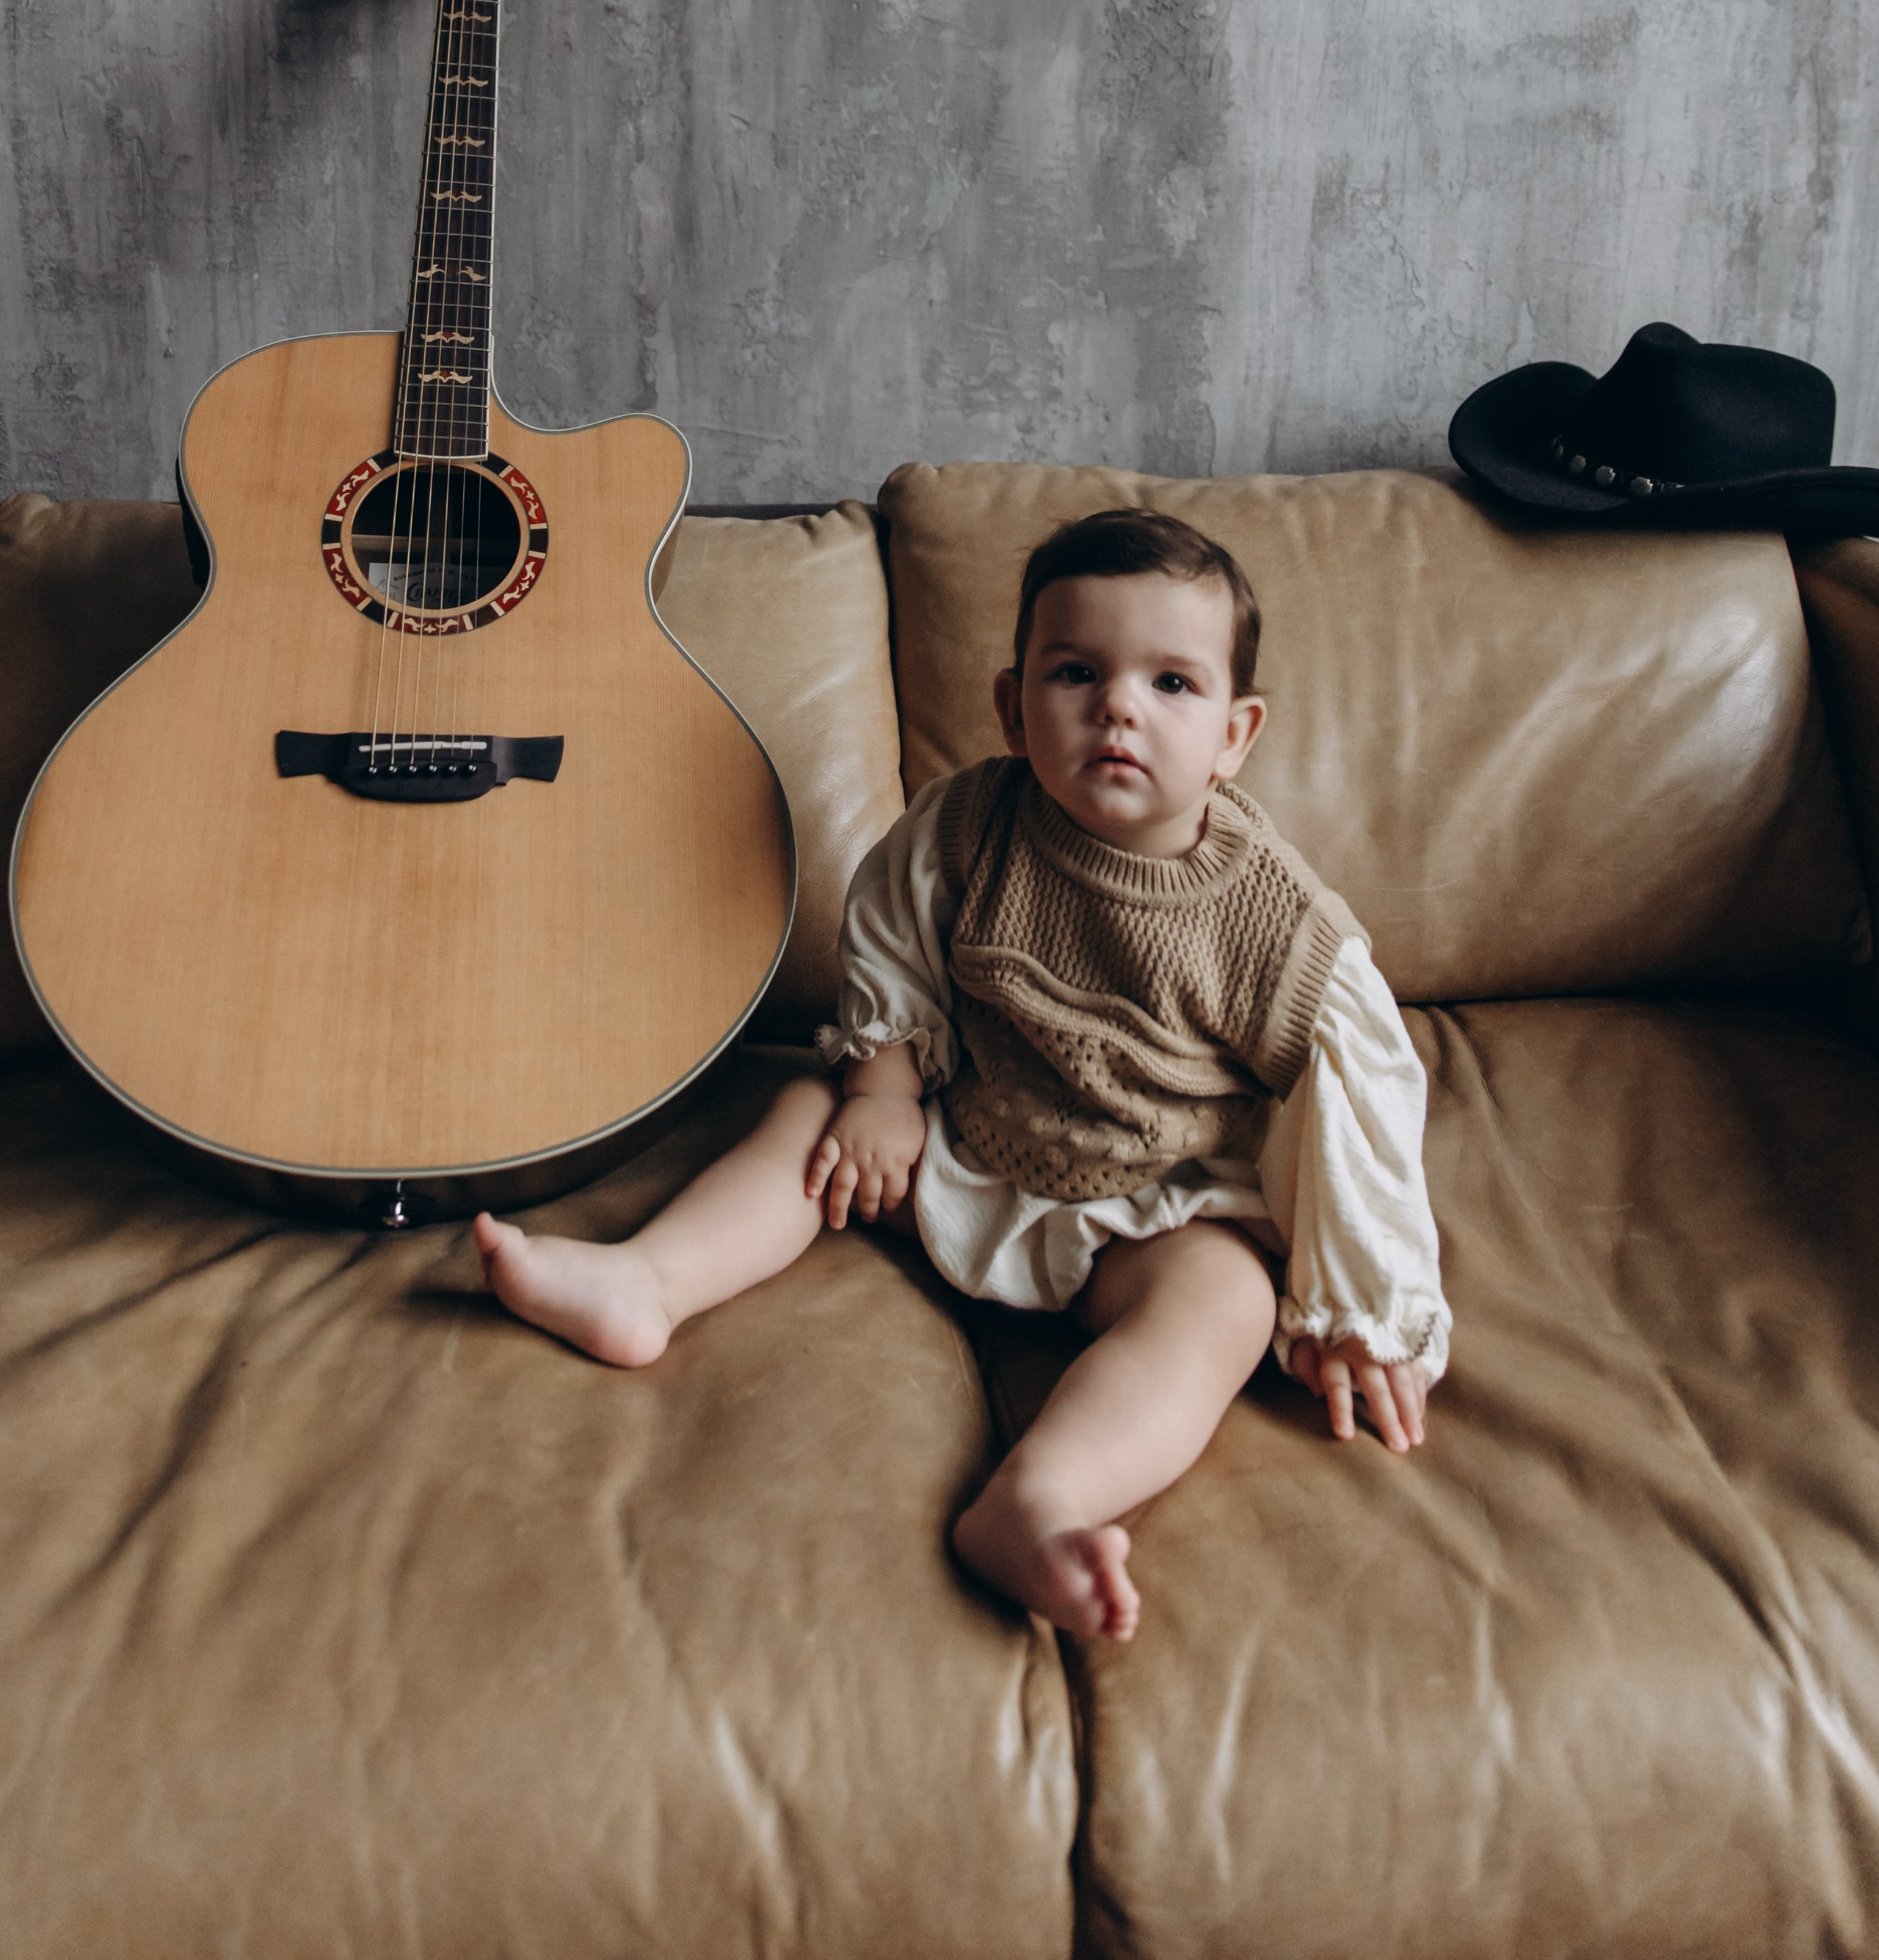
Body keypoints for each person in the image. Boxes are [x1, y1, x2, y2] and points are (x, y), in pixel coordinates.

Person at [475, 508, 1450, 1642]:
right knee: (808, 1105)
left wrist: (1367, 1308)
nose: (1119, 707)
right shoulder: (969, 824)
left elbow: (1361, 1090)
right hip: (962, 1143)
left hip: (1145, 1203)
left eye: (1171, 684)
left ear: (1237, 733)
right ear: (1011, 703)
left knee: (1227, 1299)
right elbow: (891, 938)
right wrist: (885, 1088)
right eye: (1077, 671)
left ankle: (1042, 1501)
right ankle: (646, 1283)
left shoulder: (1270, 922)